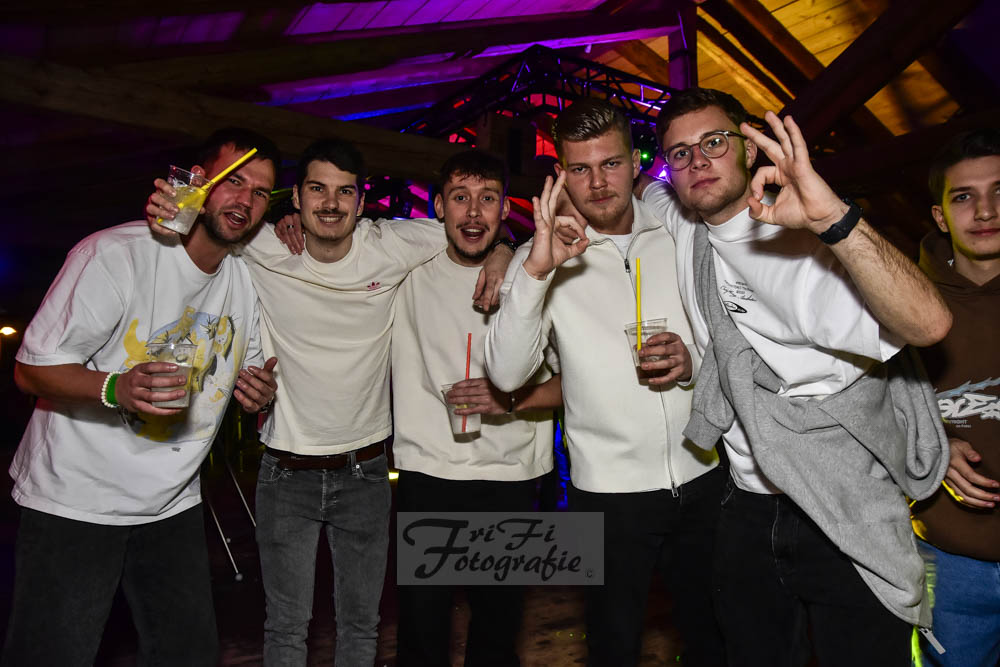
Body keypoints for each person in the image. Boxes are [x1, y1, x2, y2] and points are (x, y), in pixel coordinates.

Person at [148, 137, 512, 666]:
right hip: (284, 472)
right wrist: (170, 210)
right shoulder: (261, 244)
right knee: (285, 630)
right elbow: (196, 232)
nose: (331, 203)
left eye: (345, 192)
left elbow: (479, 227)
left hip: (366, 472)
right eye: (317, 189)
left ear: (362, 203)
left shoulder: (392, 245)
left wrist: (503, 254)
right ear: (295, 198)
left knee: (362, 628)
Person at [634, 87, 952, 665]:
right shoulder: (683, 222)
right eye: (680, 153)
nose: (697, 161)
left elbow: (930, 324)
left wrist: (832, 219)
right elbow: (628, 188)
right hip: (747, 504)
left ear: (749, 149)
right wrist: (504, 252)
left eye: (714, 143)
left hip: (840, 500)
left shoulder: (810, 245)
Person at [2, 128, 280, 666]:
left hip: (172, 501)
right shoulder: (115, 254)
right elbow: (31, 371)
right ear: (196, 183)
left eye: (261, 191)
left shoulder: (246, 279)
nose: (246, 199)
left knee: (188, 654)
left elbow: (250, 368)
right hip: (76, 498)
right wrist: (116, 387)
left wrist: (259, 392)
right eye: (234, 181)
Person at [485, 99, 726, 667]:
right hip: (606, 497)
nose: (597, 183)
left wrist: (692, 360)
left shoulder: (680, 231)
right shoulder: (540, 258)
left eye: (611, 164)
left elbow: (728, 334)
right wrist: (536, 269)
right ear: (561, 174)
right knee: (613, 645)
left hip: (704, 476)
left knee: (715, 637)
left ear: (636, 162)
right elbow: (506, 374)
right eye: (580, 168)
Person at [392, 149, 562, 667]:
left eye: (487, 199)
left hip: (512, 476)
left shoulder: (535, 274)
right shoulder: (406, 270)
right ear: (438, 206)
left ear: (504, 208)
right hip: (429, 473)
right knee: (422, 635)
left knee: (497, 634)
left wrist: (511, 399)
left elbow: (578, 380)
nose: (472, 212)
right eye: (459, 198)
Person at [910, 128, 1000, 667]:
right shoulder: (903, 301)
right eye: (964, 196)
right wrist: (933, 442)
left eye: (999, 191)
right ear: (940, 217)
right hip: (946, 560)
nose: (985, 211)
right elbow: (871, 410)